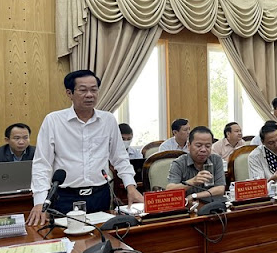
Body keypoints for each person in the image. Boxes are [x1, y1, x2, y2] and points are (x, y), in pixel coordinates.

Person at [27, 70, 144, 226]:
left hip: (100, 195)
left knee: (104, 236)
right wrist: (40, 202)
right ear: (69, 93)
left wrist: (131, 187)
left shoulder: (108, 120)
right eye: (83, 90)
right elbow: (42, 164)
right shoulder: (54, 121)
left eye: (94, 90)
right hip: (65, 197)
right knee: (68, 238)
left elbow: (120, 158)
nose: (90, 95)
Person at [167, 126, 225, 202]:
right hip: (187, 206)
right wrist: (192, 182)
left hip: (211, 205)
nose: (203, 150)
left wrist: (195, 196)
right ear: (189, 146)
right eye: (198, 146)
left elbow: (220, 189)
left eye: (208, 146)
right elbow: (170, 190)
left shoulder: (216, 160)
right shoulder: (179, 163)